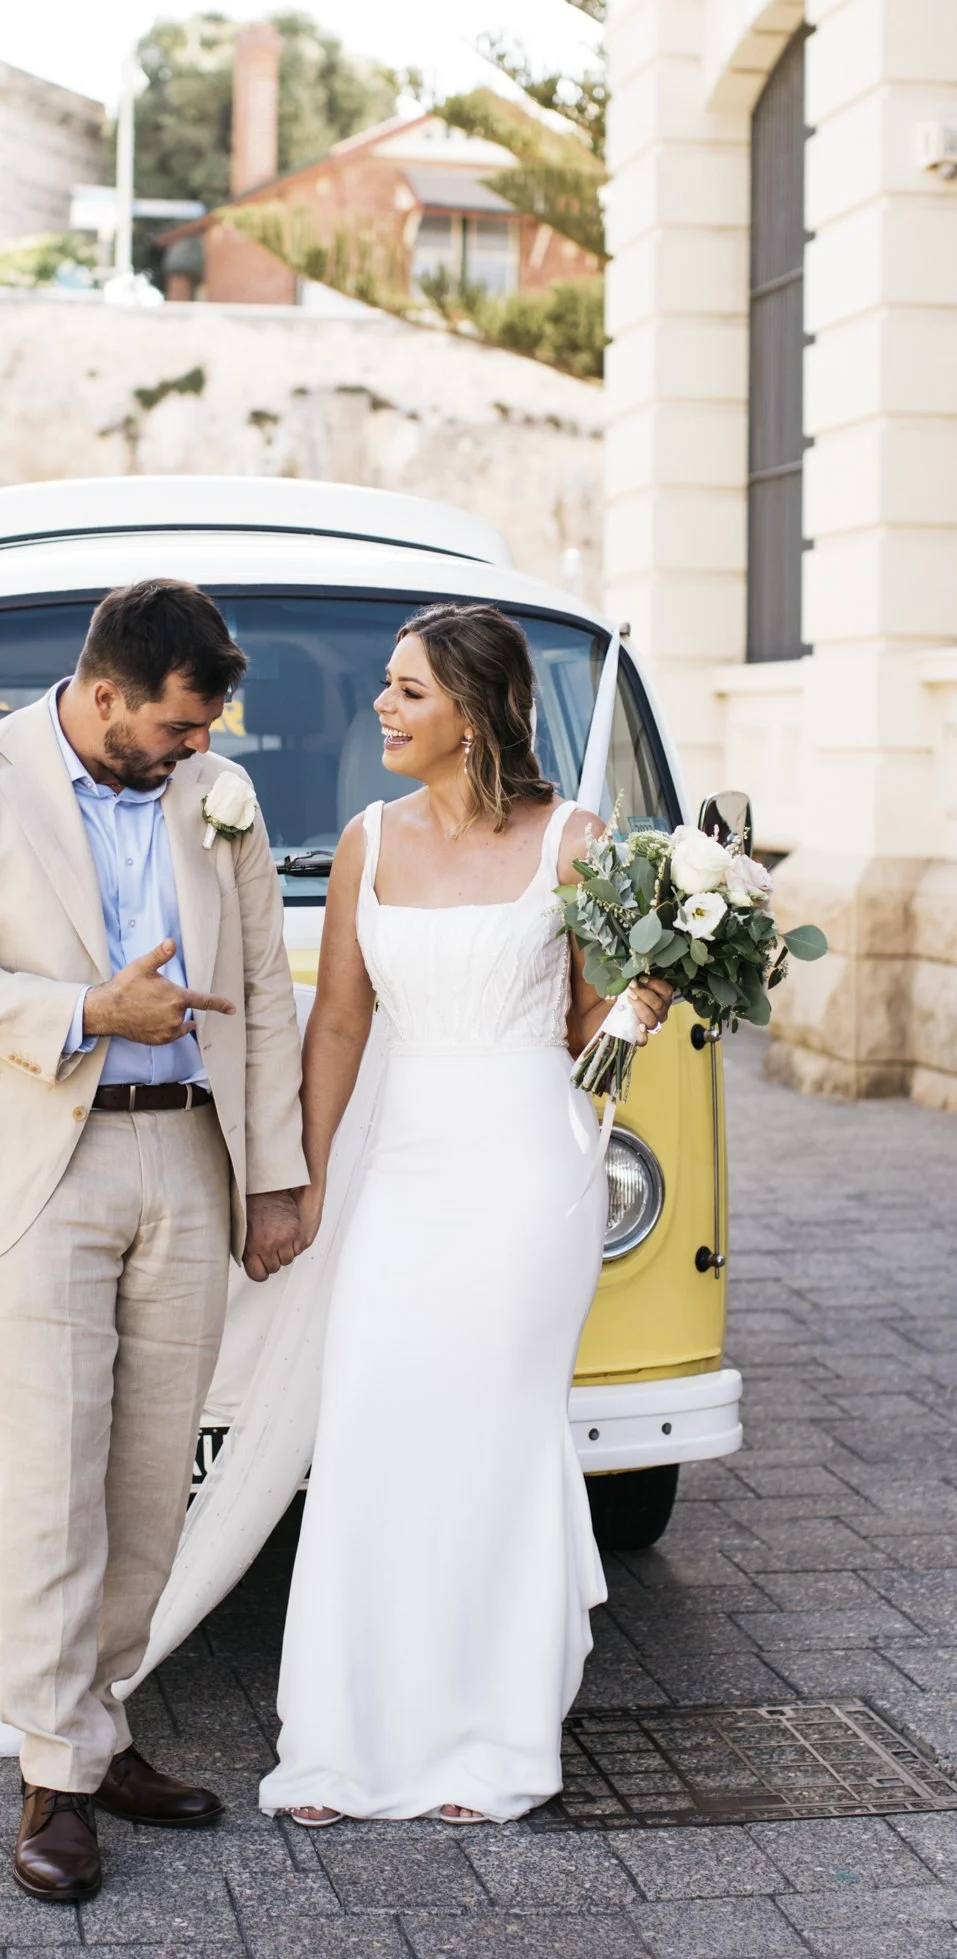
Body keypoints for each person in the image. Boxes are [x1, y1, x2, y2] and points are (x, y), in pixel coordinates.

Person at [0, 579, 307, 1901]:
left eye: (206, 732)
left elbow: (268, 990)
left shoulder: (216, 791)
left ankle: (100, 1722)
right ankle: (54, 1778)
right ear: (107, 694)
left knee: (147, 1475)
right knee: (52, 1478)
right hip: (37, 1157)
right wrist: (90, 1010)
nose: (198, 750)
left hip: (187, 1152)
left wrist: (275, 1179)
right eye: (178, 727)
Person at [258, 602, 672, 1827]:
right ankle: (345, 1736)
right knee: (378, 1417)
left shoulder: (575, 841)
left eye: (407, 691)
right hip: (406, 1167)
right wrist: (306, 1175)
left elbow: (588, 1030)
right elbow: (338, 1021)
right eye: (385, 687)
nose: (380, 708)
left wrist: (649, 1000)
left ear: (478, 711)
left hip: (528, 1167)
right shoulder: (366, 840)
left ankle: (490, 1732)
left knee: (492, 1427)